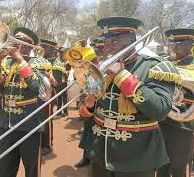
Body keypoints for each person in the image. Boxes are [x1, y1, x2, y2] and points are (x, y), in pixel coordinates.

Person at [80, 16, 178, 177]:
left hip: (135, 158)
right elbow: (88, 111)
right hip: (99, 151)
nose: (108, 47)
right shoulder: (101, 69)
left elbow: (160, 110)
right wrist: (89, 106)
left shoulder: (156, 66)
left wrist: (122, 76)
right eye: (106, 41)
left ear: (132, 40)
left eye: (115, 41)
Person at [0, 27, 47, 177]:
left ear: (29, 47)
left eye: (19, 43)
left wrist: (20, 59)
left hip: (28, 125)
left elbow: (36, 87)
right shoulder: (6, 63)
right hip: (7, 125)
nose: (14, 45)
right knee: (5, 170)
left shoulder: (38, 62)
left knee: (31, 169)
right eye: (14, 42)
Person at [157, 28, 194, 177]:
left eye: (179, 42)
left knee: (178, 167)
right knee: (161, 165)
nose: (174, 46)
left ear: (191, 43)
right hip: (161, 120)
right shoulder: (164, 62)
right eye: (171, 42)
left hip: (183, 125)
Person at [75, 38, 105, 168]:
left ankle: (98, 159)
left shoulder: (110, 64)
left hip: (103, 104)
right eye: (97, 48)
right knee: (88, 131)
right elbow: (85, 81)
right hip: (91, 102)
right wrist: (83, 91)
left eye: (101, 48)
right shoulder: (92, 64)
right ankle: (86, 157)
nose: (98, 51)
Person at [39, 39, 56, 156]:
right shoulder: (37, 60)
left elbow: (52, 81)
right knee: (39, 120)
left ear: (50, 49)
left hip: (47, 95)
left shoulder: (47, 62)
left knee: (46, 120)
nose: (41, 50)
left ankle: (48, 144)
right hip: (37, 94)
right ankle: (40, 142)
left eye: (44, 48)